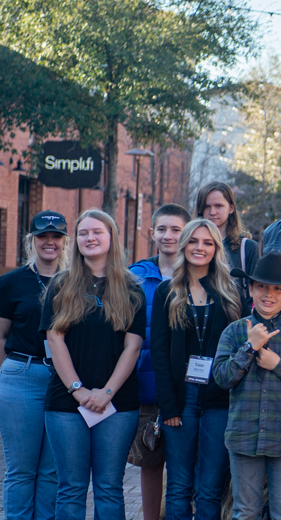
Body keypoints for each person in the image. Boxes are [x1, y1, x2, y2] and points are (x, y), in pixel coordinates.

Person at [41, 210, 146, 520]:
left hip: (117, 404)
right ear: (76, 241)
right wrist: (78, 390)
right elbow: (55, 339)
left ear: (111, 237)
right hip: (66, 402)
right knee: (71, 488)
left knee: (109, 487)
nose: (90, 238)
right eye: (83, 233)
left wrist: (106, 392)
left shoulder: (131, 287)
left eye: (97, 232)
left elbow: (133, 345)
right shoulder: (61, 284)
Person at [213, 251, 281, 520]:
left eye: (277, 289)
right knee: (246, 512)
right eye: (261, 286)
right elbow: (222, 378)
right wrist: (248, 348)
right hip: (243, 437)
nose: (268, 294)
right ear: (250, 289)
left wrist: (277, 364)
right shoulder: (234, 332)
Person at [150, 219, 244, 520]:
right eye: (193, 241)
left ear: (216, 248)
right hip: (181, 397)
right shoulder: (167, 291)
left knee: (210, 488)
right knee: (178, 485)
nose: (199, 248)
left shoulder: (230, 292)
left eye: (207, 242)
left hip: (220, 397)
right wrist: (169, 406)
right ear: (184, 245)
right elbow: (160, 355)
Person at [0, 210, 67, 520]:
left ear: (65, 242)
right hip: (21, 377)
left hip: (64, 382)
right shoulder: (11, 282)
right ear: (32, 240)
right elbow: (1, 336)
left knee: (53, 471)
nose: (49, 242)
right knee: (21, 470)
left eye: (56, 236)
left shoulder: (76, 283)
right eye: (43, 236)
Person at [127, 202, 192, 520]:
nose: (169, 236)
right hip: (147, 387)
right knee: (150, 463)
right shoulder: (135, 277)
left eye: (176, 229)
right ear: (151, 233)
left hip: (187, 391)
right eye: (162, 229)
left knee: (185, 470)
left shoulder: (197, 277)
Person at [195, 181, 260, 308]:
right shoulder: (191, 247)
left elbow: (256, 293)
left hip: (237, 320)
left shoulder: (247, 248)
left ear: (231, 208)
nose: (212, 212)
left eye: (218, 206)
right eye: (207, 206)